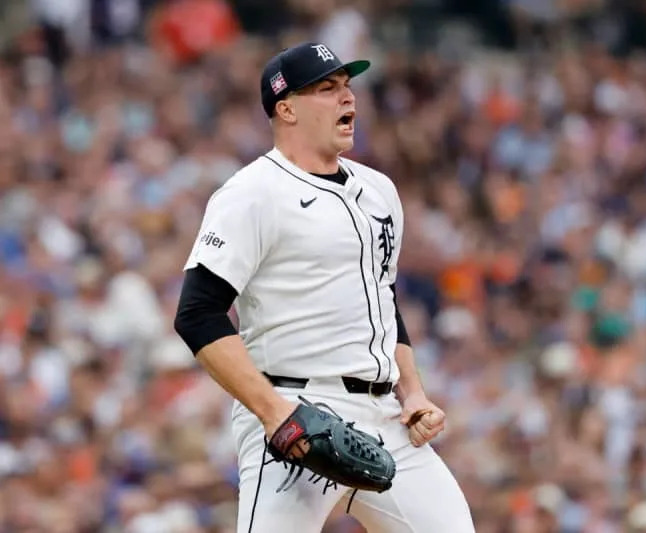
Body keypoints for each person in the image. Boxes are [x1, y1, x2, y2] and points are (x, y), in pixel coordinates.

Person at [173, 42, 475, 533]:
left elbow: (381, 299)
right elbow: (198, 313)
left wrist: (412, 391)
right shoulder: (251, 193)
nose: (348, 99)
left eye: (348, 87)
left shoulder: (378, 190)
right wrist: (275, 413)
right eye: (327, 89)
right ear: (286, 108)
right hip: (297, 414)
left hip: (385, 418)